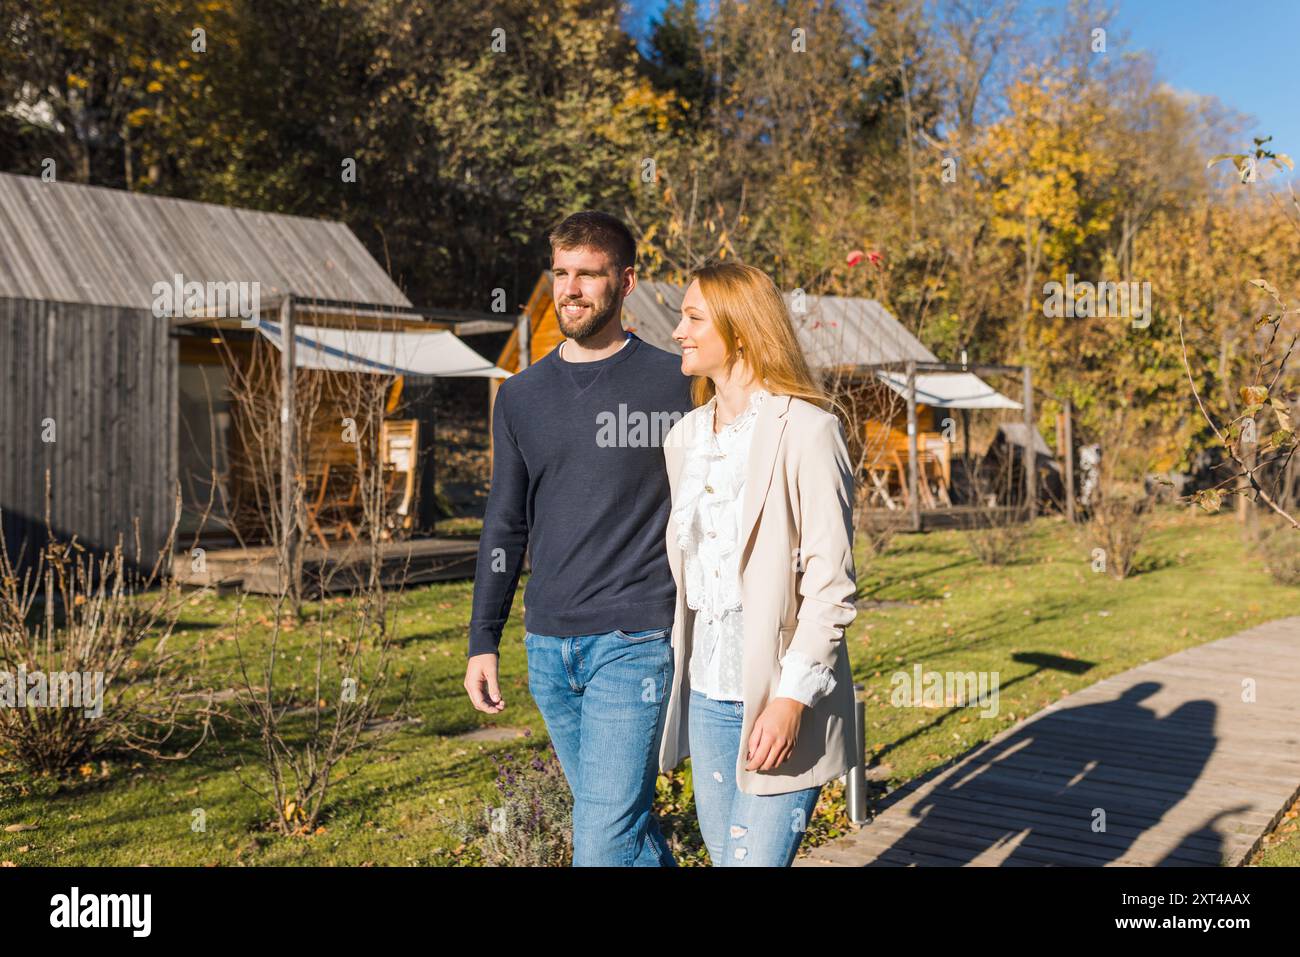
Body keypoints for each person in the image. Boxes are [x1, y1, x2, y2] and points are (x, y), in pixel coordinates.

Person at [464, 210, 693, 866]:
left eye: (588, 275)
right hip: (549, 649)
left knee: (600, 840)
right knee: (625, 829)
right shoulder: (521, 396)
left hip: (634, 640)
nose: (570, 289)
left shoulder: (676, 382)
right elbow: (505, 522)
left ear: (625, 283)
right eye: (561, 273)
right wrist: (485, 638)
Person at [659, 261, 858, 866]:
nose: (677, 332)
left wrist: (791, 700)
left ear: (740, 330)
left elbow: (830, 586)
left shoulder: (809, 431)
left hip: (779, 695)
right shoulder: (686, 438)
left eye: (693, 317)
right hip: (707, 695)